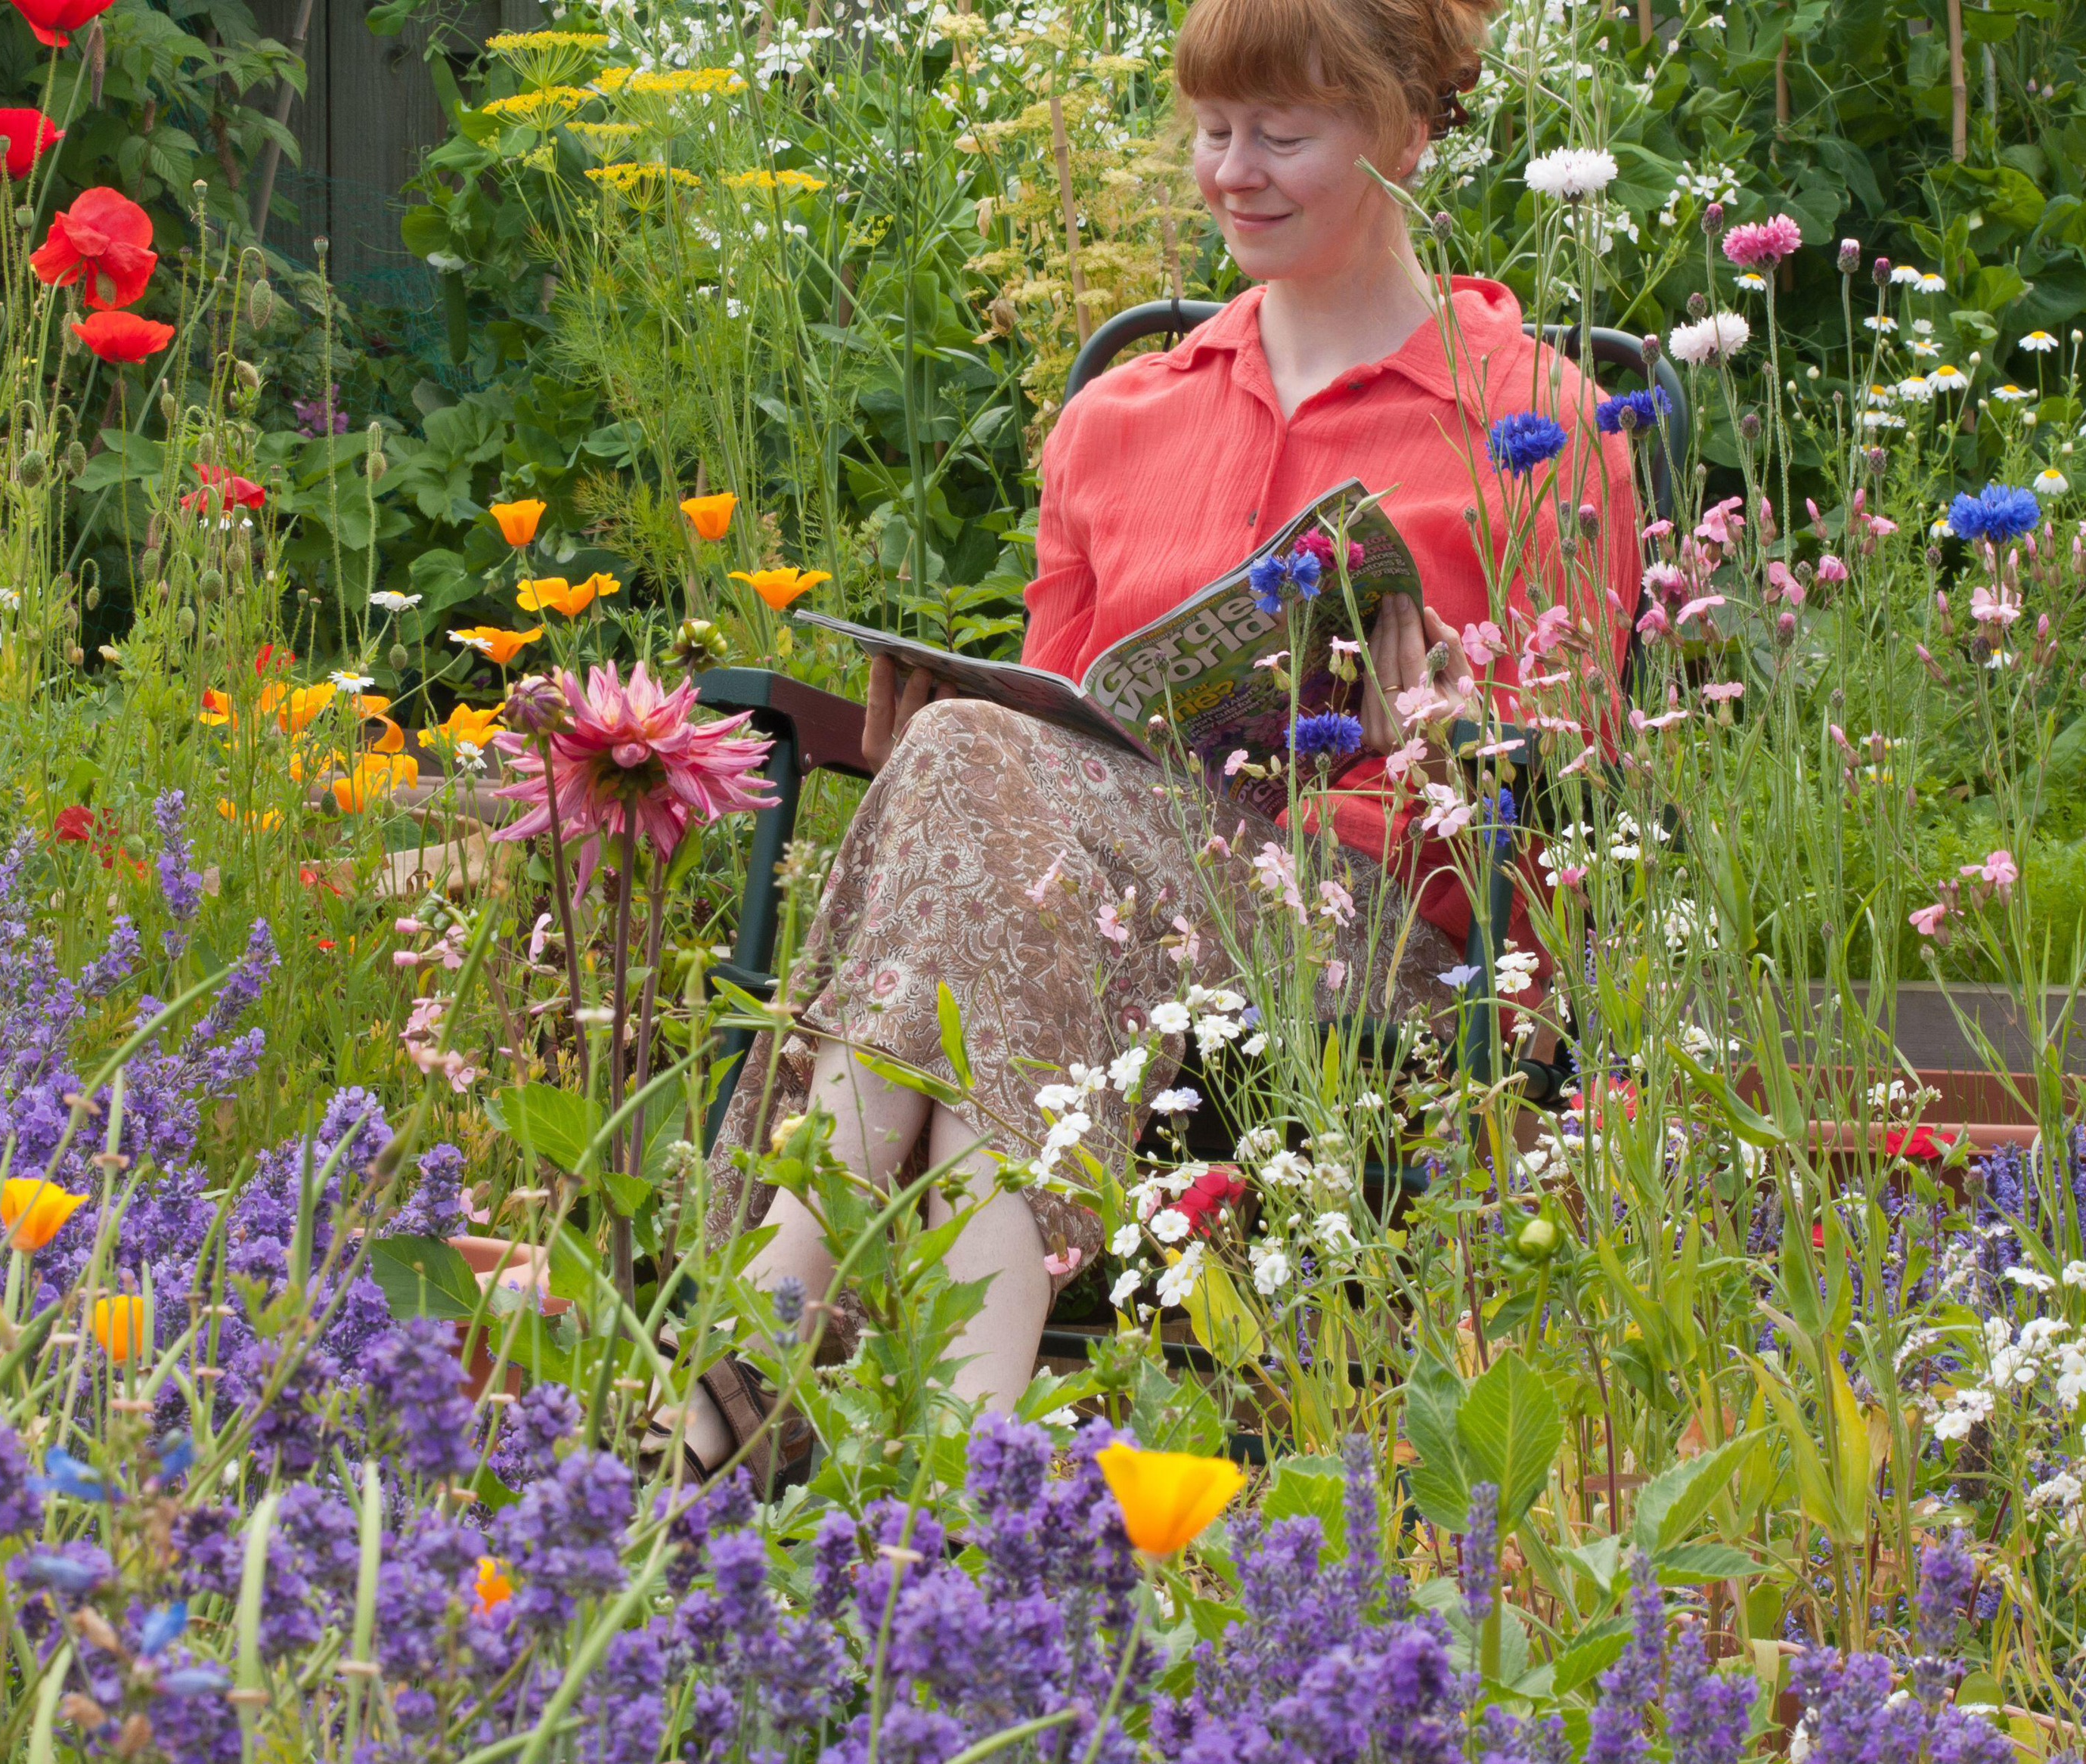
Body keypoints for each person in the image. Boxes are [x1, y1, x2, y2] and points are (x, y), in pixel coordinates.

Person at [674, 0, 1642, 1479]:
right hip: (1106, 929)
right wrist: (934, 718)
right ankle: (973, 1459)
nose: (1231, 171)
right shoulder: (1123, 418)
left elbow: (1570, 796)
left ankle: (762, 1338)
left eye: (1281, 132)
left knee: (979, 778)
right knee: (966, 758)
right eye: (1210, 130)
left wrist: (1446, 714)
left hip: (1376, 944)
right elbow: (1050, 747)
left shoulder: (1532, 422)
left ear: (1399, 131)